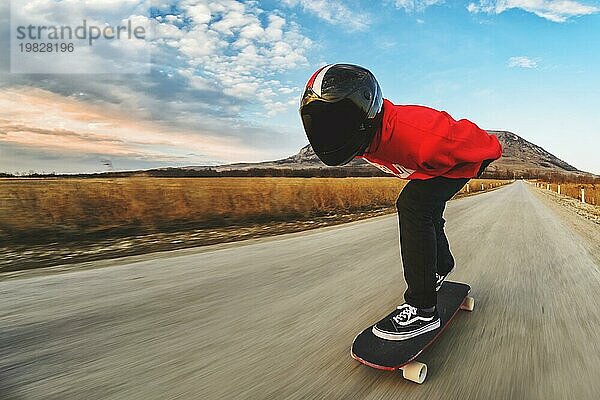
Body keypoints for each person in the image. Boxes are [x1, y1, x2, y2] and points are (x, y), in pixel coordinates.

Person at [299, 64, 502, 341]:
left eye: (337, 122)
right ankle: (441, 267)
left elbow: (484, 144)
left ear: (362, 115)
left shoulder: (423, 134)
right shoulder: (363, 137)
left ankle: (422, 309)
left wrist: (481, 160)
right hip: (430, 165)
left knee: (413, 206)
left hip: (464, 162)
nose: (331, 132)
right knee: (427, 211)